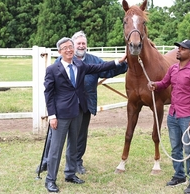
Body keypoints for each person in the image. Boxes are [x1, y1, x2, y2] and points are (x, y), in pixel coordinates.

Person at [35, 31, 128, 175]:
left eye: (83, 43)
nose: (81, 46)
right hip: (64, 107)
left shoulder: (92, 60)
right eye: (78, 43)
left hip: (84, 104)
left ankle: (76, 163)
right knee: (55, 137)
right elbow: (51, 88)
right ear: (70, 46)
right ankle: (46, 162)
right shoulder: (59, 62)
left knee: (80, 136)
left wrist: (124, 64)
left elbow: (105, 69)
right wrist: (52, 113)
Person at [147, 40, 190, 194]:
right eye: (178, 48)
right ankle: (179, 175)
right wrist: (155, 85)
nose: (178, 51)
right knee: (175, 149)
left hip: (187, 116)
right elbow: (164, 83)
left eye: (183, 49)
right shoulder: (173, 69)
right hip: (173, 115)